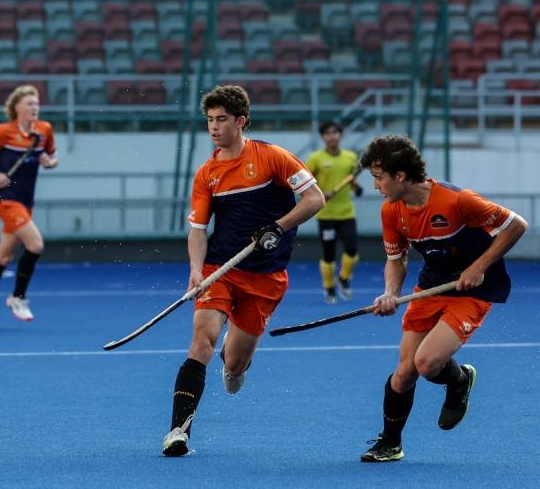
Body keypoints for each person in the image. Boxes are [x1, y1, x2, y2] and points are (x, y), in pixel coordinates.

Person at [162, 85, 325, 457]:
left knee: (234, 366)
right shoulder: (208, 174)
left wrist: (279, 226)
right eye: (209, 121)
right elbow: (198, 231)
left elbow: (315, 199)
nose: (214, 127)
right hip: (220, 269)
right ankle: (178, 431)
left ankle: (233, 365)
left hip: (266, 277)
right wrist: (195, 269)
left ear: (241, 121)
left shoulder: (274, 158)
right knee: (202, 341)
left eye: (221, 120)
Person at [357, 134, 527, 463]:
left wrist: (478, 267)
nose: (376, 186)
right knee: (405, 372)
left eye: (379, 178)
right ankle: (391, 444)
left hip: (474, 289)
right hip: (432, 284)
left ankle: (459, 380)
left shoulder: (457, 201)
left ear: (400, 176)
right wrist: (390, 293)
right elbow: (397, 259)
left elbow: (515, 225)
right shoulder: (391, 210)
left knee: (427, 362)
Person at [0, 84, 57, 328]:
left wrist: (50, 162)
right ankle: (18, 297)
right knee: (35, 244)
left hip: (27, 200)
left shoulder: (44, 130)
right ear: (17, 107)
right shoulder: (3, 131)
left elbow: (51, 156)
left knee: (3, 256)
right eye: (29, 104)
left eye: (36, 104)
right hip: (7, 199)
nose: (34, 108)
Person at [305, 120, 363, 304]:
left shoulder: (350, 157)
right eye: (328, 133)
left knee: (352, 250)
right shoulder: (315, 159)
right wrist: (321, 193)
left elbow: (350, 180)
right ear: (323, 137)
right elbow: (306, 183)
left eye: (335, 133)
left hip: (347, 213)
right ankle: (329, 287)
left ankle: (344, 278)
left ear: (340, 135)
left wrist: (356, 188)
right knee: (329, 254)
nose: (332, 136)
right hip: (326, 215)